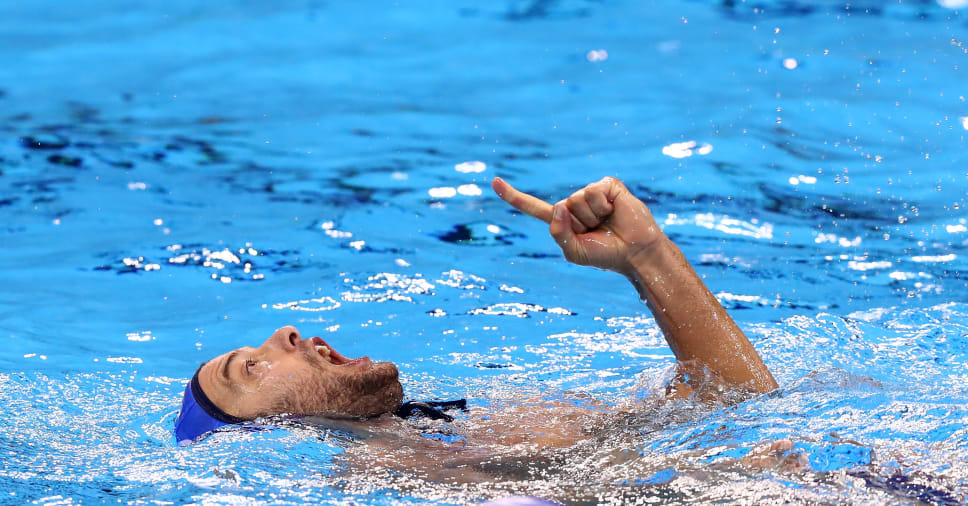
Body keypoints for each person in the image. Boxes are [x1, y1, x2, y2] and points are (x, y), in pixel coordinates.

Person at [175, 175, 778, 453]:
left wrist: (647, 256)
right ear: (261, 437)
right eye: (250, 370)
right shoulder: (388, 468)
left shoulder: (465, 424)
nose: (284, 332)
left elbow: (737, 406)